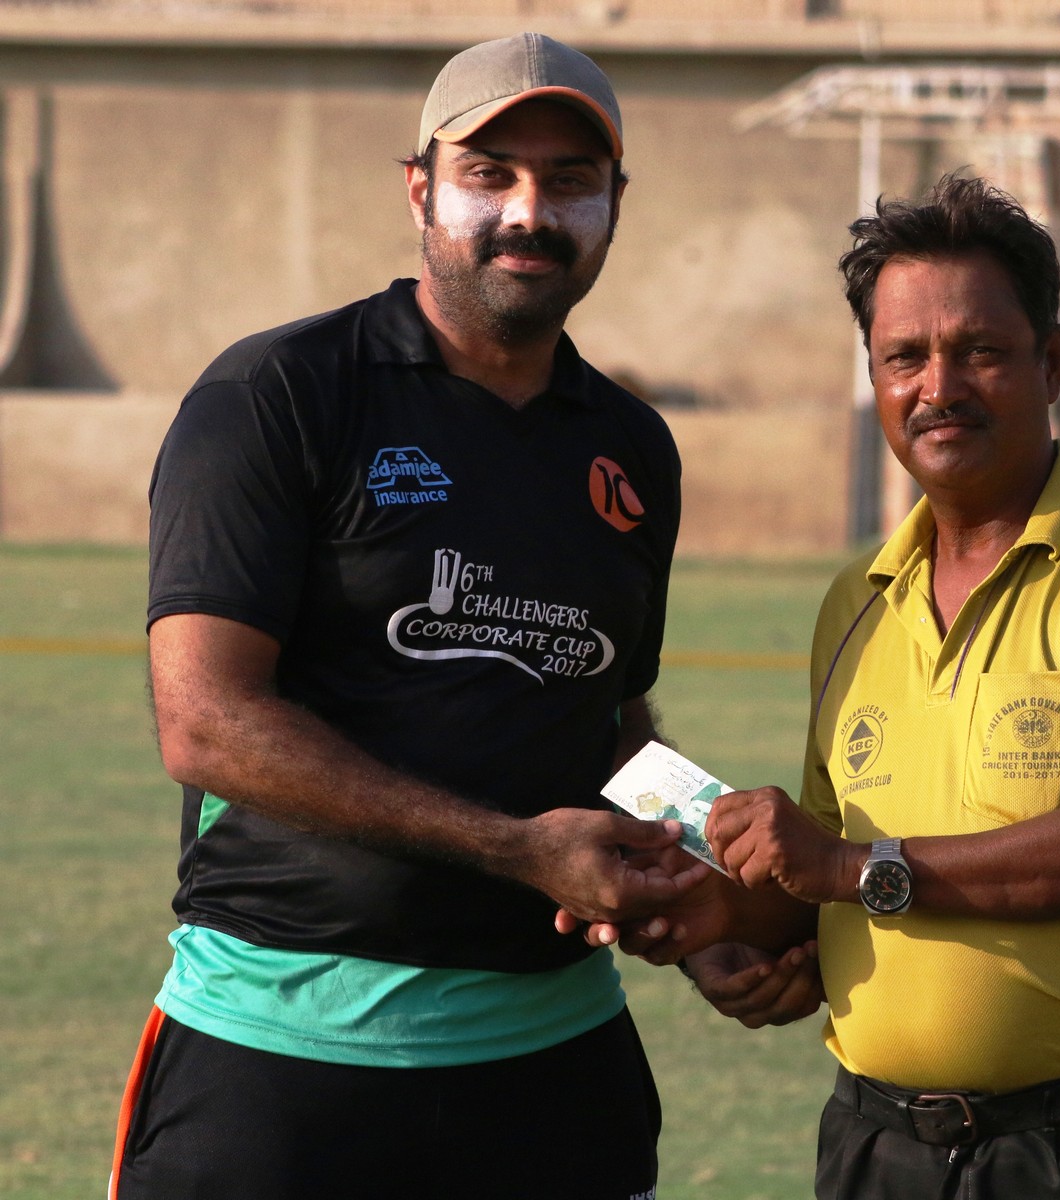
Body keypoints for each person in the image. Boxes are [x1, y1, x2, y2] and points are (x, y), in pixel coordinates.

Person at [110, 33, 706, 1200]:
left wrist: (707, 900)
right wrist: (521, 852)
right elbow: (206, 723)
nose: (528, 213)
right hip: (282, 1060)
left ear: (614, 205)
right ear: (421, 189)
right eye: (490, 174)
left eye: (569, 181)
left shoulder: (631, 446)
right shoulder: (279, 395)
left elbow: (614, 723)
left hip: (554, 1071)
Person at [588, 175, 1060, 1199]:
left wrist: (849, 867)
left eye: (978, 350)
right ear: (874, 376)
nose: (937, 387)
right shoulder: (854, 599)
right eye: (903, 356)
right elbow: (821, 878)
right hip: (873, 1148)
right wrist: (712, 922)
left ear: (1051, 361)